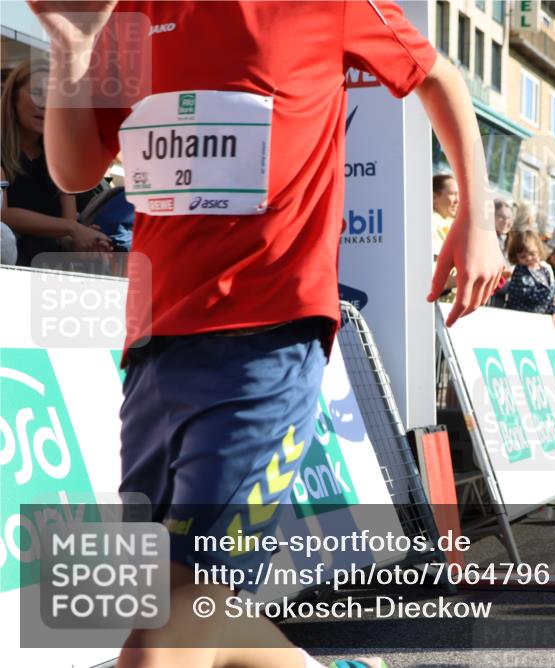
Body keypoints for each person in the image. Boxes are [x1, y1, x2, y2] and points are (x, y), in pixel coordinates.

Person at [31, 3, 505, 668]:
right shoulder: (127, 13)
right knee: (180, 609)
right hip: (152, 350)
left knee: (166, 638)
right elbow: (76, 171)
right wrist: (73, 50)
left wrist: (476, 221)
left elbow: (439, 77)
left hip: (268, 342)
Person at [1, 61, 111, 266]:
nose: (45, 104)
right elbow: (3, 213)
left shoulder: (61, 157)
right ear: (13, 97)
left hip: (46, 267)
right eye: (37, 93)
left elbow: (66, 229)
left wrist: (82, 240)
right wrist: (72, 229)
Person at [503, 229, 555, 328]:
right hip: (519, 320)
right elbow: (528, 292)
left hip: (539, 320)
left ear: (539, 250)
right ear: (516, 257)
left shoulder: (545, 270)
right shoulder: (520, 270)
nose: (528, 258)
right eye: (523, 256)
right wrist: (552, 298)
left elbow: (553, 290)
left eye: (532, 254)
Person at [431, 172, 458, 258]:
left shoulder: (450, 224)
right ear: (434, 197)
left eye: (458, 195)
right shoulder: (429, 224)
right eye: (452, 194)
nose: (457, 200)